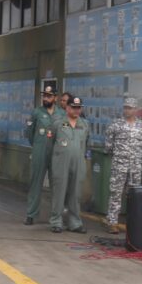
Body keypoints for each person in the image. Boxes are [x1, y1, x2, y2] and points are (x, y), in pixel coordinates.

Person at [103, 97, 142, 234]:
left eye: (130, 108)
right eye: (125, 107)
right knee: (116, 194)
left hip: (135, 167)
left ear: (136, 109)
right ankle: (112, 222)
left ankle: (133, 222)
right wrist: (120, 156)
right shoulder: (115, 125)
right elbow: (108, 145)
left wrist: (134, 157)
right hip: (119, 165)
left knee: (134, 195)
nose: (127, 110)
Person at [23, 85, 64, 225]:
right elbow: (29, 133)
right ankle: (31, 214)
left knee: (56, 185)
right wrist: (37, 145)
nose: (46, 98)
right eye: (44, 95)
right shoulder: (36, 112)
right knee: (36, 182)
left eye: (49, 96)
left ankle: (56, 217)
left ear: (55, 98)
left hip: (56, 153)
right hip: (40, 151)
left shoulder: (61, 114)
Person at [49, 96, 90, 233]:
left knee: (75, 193)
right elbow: (50, 142)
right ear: (67, 108)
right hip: (61, 162)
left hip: (78, 162)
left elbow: (86, 143)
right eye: (73, 107)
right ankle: (56, 221)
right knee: (59, 191)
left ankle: (74, 222)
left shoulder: (85, 124)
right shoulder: (58, 123)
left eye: (79, 108)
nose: (76, 110)